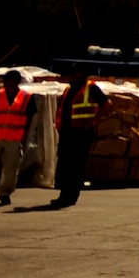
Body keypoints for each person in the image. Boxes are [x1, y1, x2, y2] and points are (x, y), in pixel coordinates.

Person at [0, 70, 35, 208]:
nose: (5, 82)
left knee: (11, 168)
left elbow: (29, 118)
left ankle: (5, 193)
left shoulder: (26, 97)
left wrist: (25, 136)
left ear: (15, 81)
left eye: (8, 79)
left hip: (13, 138)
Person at [49, 73, 108, 208]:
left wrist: (94, 121)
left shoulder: (91, 88)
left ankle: (70, 196)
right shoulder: (69, 89)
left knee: (75, 165)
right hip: (68, 131)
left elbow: (107, 104)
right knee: (64, 163)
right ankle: (64, 194)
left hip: (82, 132)